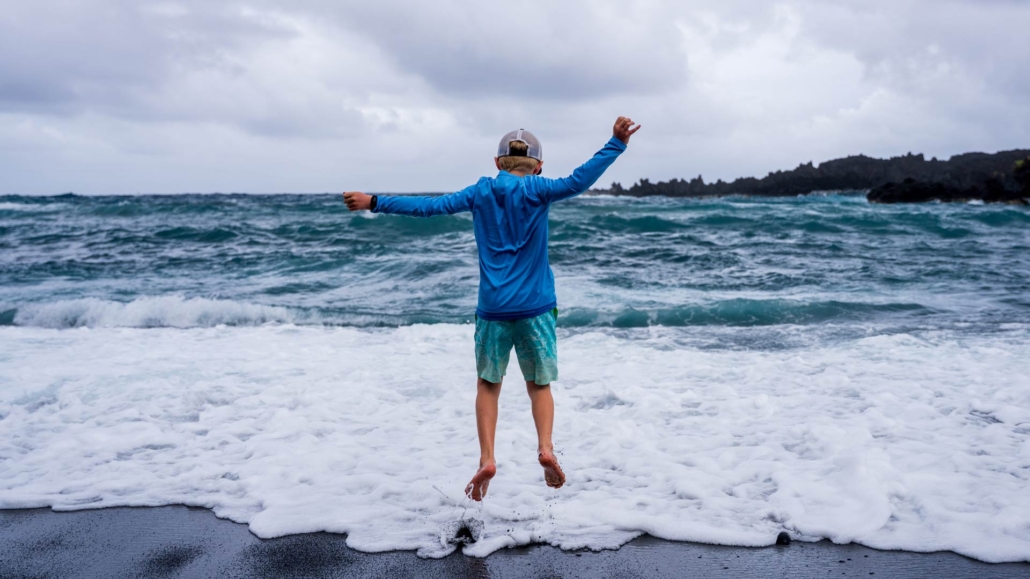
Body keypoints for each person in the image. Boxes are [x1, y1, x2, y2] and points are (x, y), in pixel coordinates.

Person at [343, 117, 641, 501]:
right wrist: (616, 143)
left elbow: (429, 207)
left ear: (497, 163)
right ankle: (545, 448)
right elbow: (581, 178)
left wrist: (375, 202)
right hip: (536, 308)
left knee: (488, 385)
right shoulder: (541, 189)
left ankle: (487, 459)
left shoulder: (480, 192)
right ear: (538, 165)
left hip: (493, 310)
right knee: (539, 386)